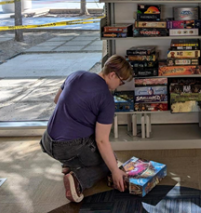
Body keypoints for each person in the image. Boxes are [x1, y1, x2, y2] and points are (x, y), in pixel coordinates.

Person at [40, 55, 133, 203]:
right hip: (67, 147)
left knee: (97, 149)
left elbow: (57, 100)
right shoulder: (106, 99)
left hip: (47, 141)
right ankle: (78, 180)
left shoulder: (77, 75)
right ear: (112, 75)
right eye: (121, 82)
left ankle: (69, 164)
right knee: (109, 163)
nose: (119, 85)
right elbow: (101, 140)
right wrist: (115, 170)